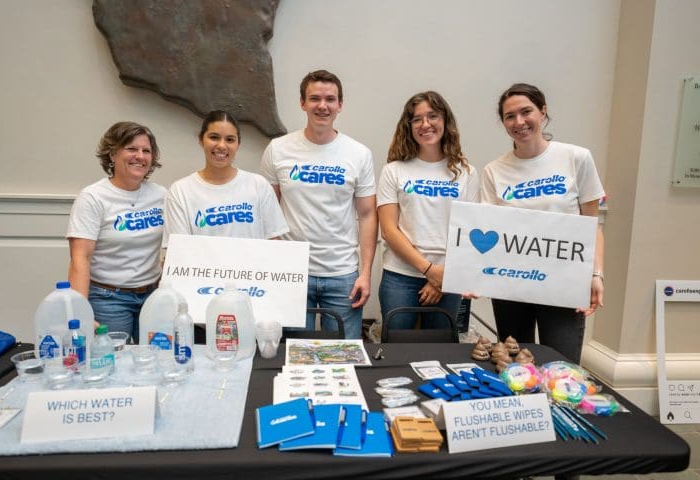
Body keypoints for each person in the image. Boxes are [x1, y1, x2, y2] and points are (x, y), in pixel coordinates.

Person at [481, 83, 605, 364]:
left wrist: (596, 274)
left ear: (543, 111)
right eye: (510, 116)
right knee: (512, 366)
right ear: (503, 123)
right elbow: (488, 231)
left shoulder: (576, 158)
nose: (519, 122)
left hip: (563, 283)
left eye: (527, 112)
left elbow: (592, 224)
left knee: (562, 368)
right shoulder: (494, 170)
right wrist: (474, 275)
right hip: (511, 285)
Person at [260, 69, 377, 340]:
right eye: (314, 98)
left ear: (340, 105)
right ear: (302, 103)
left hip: (343, 274)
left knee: (343, 357)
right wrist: (273, 265)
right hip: (292, 273)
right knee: (292, 356)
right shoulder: (278, 149)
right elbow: (267, 212)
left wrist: (366, 273)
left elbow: (368, 215)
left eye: (330, 99)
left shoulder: (358, 154)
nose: (322, 106)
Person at [378, 91, 479, 331]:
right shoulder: (393, 170)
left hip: (448, 277)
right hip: (400, 276)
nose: (425, 124)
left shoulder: (467, 172)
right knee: (396, 350)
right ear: (409, 125)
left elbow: (469, 232)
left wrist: (440, 279)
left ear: (445, 120)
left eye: (432, 116)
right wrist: (428, 270)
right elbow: (389, 230)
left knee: (440, 352)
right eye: (417, 119)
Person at [67, 121, 166, 343]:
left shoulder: (162, 196)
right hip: (108, 299)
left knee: (157, 360)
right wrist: (80, 312)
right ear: (112, 154)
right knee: (112, 363)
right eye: (131, 148)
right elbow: (79, 258)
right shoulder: (93, 197)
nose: (140, 156)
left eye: (146, 151)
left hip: (152, 295)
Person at [163, 110, 288, 242]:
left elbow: (274, 242)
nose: (222, 145)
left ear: (238, 144)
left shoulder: (258, 185)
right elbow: (179, 251)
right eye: (214, 137)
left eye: (229, 139)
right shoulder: (180, 191)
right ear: (201, 140)